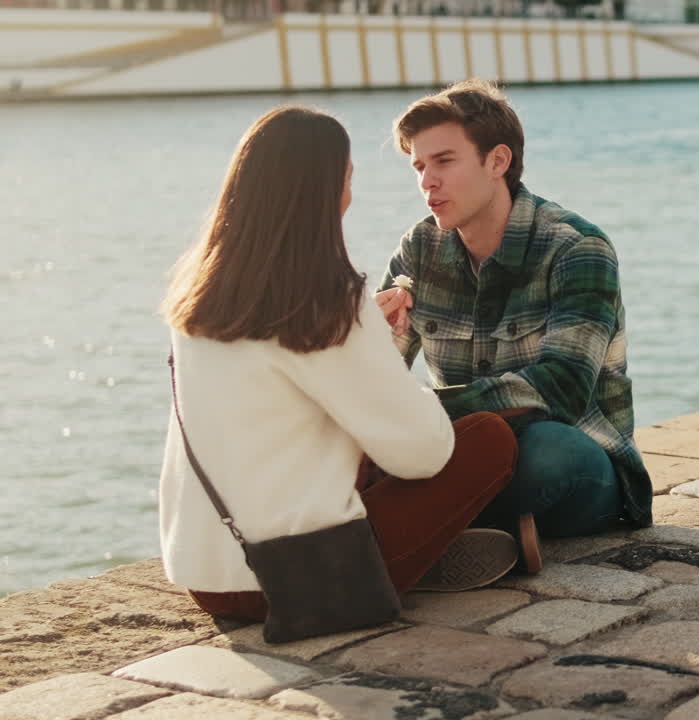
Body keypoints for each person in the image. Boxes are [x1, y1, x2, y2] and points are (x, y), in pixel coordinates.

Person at [158, 106, 523, 624]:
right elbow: (423, 452)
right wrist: (373, 346)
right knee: (489, 438)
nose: (350, 196)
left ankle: (425, 555)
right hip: (294, 577)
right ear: (324, 192)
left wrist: (362, 338)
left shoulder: (197, 294)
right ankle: (416, 559)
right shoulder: (324, 302)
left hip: (207, 578)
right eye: (347, 180)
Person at [373, 80, 653, 558]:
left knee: (544, 453)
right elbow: (374, 381)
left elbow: (562, 387)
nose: (426, 182)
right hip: (464, 451)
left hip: (577, 459)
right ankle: (476, 535)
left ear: (497, 161)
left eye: (444, 161)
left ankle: (426, 533)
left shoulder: (575, 248)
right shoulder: (419, 249)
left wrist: (426, 411)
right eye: (419, 167)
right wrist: (370, 336)